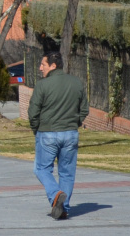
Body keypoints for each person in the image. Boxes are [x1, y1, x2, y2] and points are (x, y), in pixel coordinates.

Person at [27, 51, 89, 220]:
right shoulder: (76, 83)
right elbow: (84, 109)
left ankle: (56, 194)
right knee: (67, 173)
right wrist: (74, 123)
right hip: (70, 134)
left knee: (41, 168)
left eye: (43, 65)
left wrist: (37, 130)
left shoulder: (43, 85)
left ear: (53, 66)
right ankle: (63, 208)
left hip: (48, 133)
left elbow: (33, 112)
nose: (40, 68)